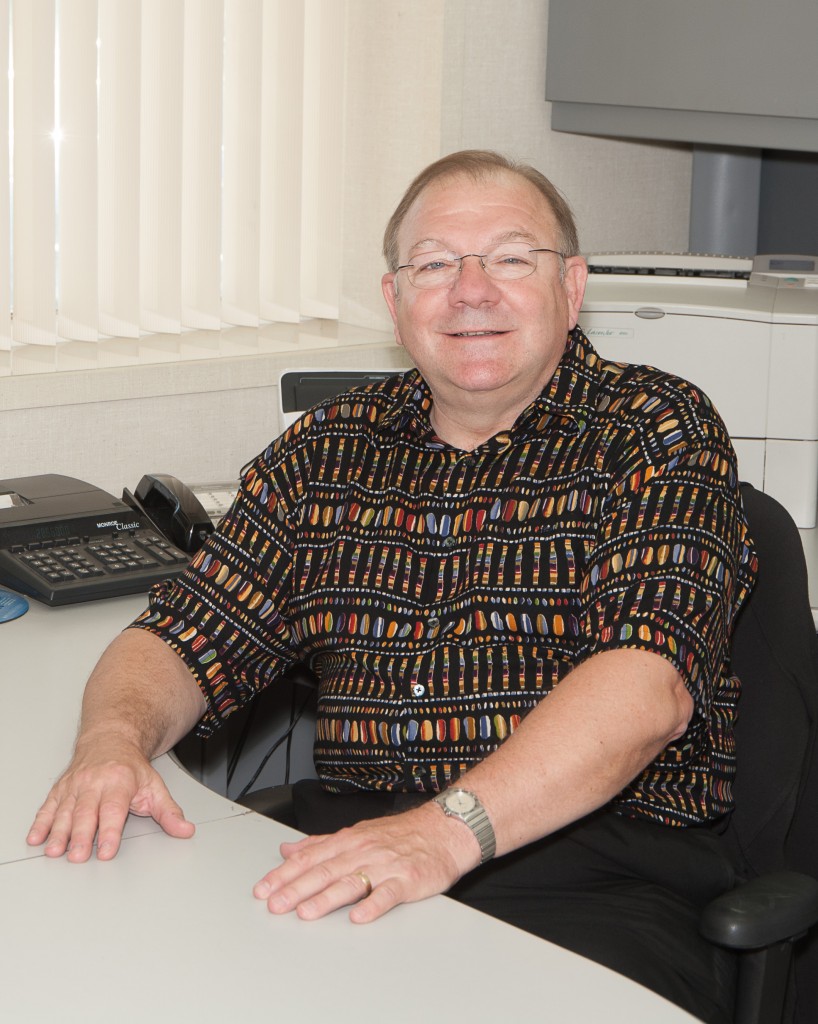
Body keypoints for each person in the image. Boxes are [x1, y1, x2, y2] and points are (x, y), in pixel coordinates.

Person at [28, 150, 756, 1023]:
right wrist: (110, 740)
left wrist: (444, 832)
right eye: (436, 263)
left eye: (511, 258)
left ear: (572, 286)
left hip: (589, 874)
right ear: (394, 299)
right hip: (351, 846)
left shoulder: (656, 429)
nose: (471, 290)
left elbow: (650, 687)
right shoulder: (329, 451)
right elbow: (183, 633)